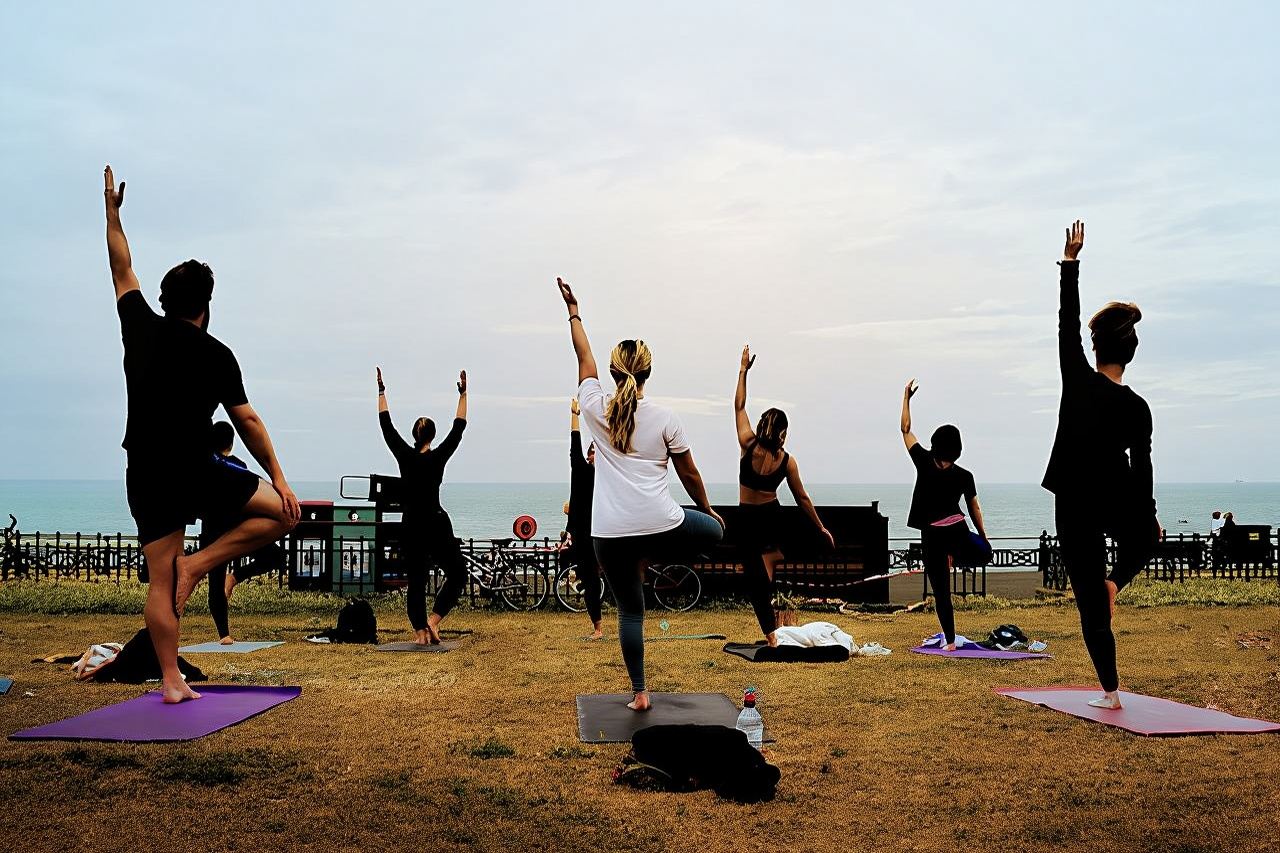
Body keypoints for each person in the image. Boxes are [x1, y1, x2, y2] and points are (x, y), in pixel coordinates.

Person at [104, 165, 300, 704]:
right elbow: (248, 422)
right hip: (195, 467)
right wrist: (280, 479)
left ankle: (171, 680)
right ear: (206, 306)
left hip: (145, 469)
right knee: (283, 514)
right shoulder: (217, 354)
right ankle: (200, 565)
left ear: (165, 300)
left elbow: (121, 266)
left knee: (159, 580)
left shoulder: (139, 325)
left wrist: (112, 212)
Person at [557, 277, 724, 711]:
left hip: (609, 534)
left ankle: (640, 693)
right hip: (659, 523)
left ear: (614, 373)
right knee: (714, 533)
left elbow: (583, 358)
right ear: (648, 372)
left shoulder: (595, 407)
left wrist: (574, 312)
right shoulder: (666, 417)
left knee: (630, 613)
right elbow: (689, 473)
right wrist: (707, 511)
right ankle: (651, 557)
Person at [1043, 220, 1161, 711]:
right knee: (1146, 541)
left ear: (1097, 348)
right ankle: (1115, 582)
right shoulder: (1137, 406)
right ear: (1130, 351)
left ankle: (1111, 690)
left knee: (1091, 603)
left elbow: (1065, 325)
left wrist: (1071, 263)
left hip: (1074, 503)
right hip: (1112, 499)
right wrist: (1147, 513)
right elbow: (1144, 468)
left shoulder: (1077, 377)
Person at [733, 345, 834, 646]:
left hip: (750, 518)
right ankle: (771, 633)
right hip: (769, 517)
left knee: (756, 585)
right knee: (758, 580)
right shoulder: (786, 460)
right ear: (782, 433)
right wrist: (820, 528)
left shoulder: (747, 443)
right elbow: (802, 500)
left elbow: (738, 407)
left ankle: (771, 635)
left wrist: (742, 371)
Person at [377, 366, 468, 645]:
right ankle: (434, 620)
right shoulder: (438, 457)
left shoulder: (405, 456)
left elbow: (386, 426)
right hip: (436, 522)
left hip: (412, 524)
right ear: (432, 435)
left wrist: (381, 391)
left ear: (415, 435)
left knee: (416, 580)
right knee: (458, 573)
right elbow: (459, 428)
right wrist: (464, 394)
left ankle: (420, 632)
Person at [900, 379, 990, 651]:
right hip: (958, 532)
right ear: (958, 449)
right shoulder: (964, 475)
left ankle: (950, 642)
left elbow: (905, 429)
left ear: (936, 445)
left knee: (941, 591)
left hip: (933, 535)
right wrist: (984, 538)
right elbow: (974, 509)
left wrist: (906, 398)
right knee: (984, 553)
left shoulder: (924, 461)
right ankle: (957, 556)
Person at [202, 421, 288, 644]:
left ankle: (224, 634)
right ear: (231, 443)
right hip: (240, 529)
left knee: (216, 580)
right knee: (275, 557)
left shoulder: (207, 467)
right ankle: (235, 580)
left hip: (216, 530)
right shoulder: (237, 466)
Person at [567, 397, 604, 639]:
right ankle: (598, 627)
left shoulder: (592, 474)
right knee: (590, 577)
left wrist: (575, 415)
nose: (591, 455)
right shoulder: (602, 477)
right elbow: (574, 446)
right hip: (591, 532)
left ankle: (599, 628)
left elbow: (574, 444)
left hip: (591, 532)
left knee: (590, 578)